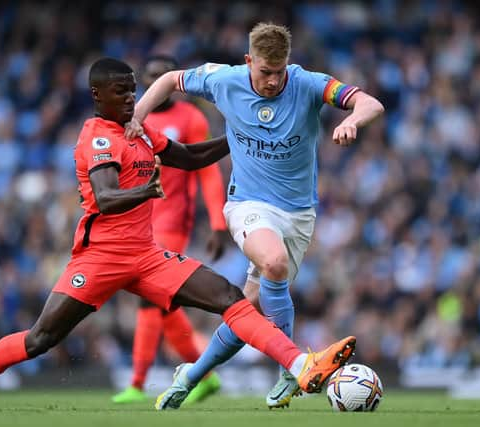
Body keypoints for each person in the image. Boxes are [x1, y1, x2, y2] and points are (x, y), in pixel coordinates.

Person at [0, 56, 356, 411]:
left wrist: (236, 138)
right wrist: (148, 189)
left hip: (145, 256)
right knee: (40, 339)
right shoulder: (98, 138)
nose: (129, 99)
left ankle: (299, 364)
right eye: (120, 92)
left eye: (132, 91)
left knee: (230, 298)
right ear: (96, 95)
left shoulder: (140, 132)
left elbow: (188, 156)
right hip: (98, 258)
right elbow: (104, 197)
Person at [126, 22, 384, 410]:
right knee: (274, 264)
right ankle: (293, 368)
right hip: (247, 204)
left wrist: (350, 120)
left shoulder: (310, 84)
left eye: (279, 71)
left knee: (248, 309)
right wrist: (137, 119)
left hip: (298, 214)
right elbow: (168, 80)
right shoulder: (223, 79)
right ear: (249, 61)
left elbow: (370, 103)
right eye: (264, 71)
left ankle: (191, 375)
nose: (272, 80)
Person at [111, 55, 226, 405]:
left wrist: (218, 223)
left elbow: (206, 171)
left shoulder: (189, 117)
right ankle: (204, 375)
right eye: (151, 77)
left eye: (164, 77)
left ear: (175, 81)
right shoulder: (132, 121)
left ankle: (137, 382)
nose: (158, 83)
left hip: (173, 221)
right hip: (137, 221)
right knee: (164, 304)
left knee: (151, 299)